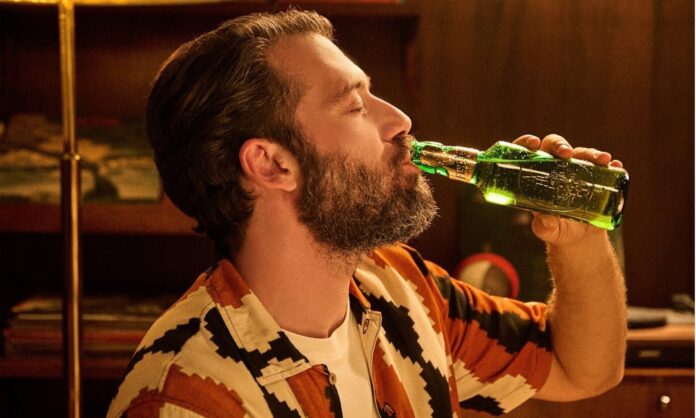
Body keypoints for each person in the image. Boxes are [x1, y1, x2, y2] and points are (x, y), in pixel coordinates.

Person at [107, 9, 626, 418]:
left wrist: (575, 235)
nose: (399, 120)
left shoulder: (399, 288)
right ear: (271, 163)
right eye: (354, 105)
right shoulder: (187, 396)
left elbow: (580, 369)